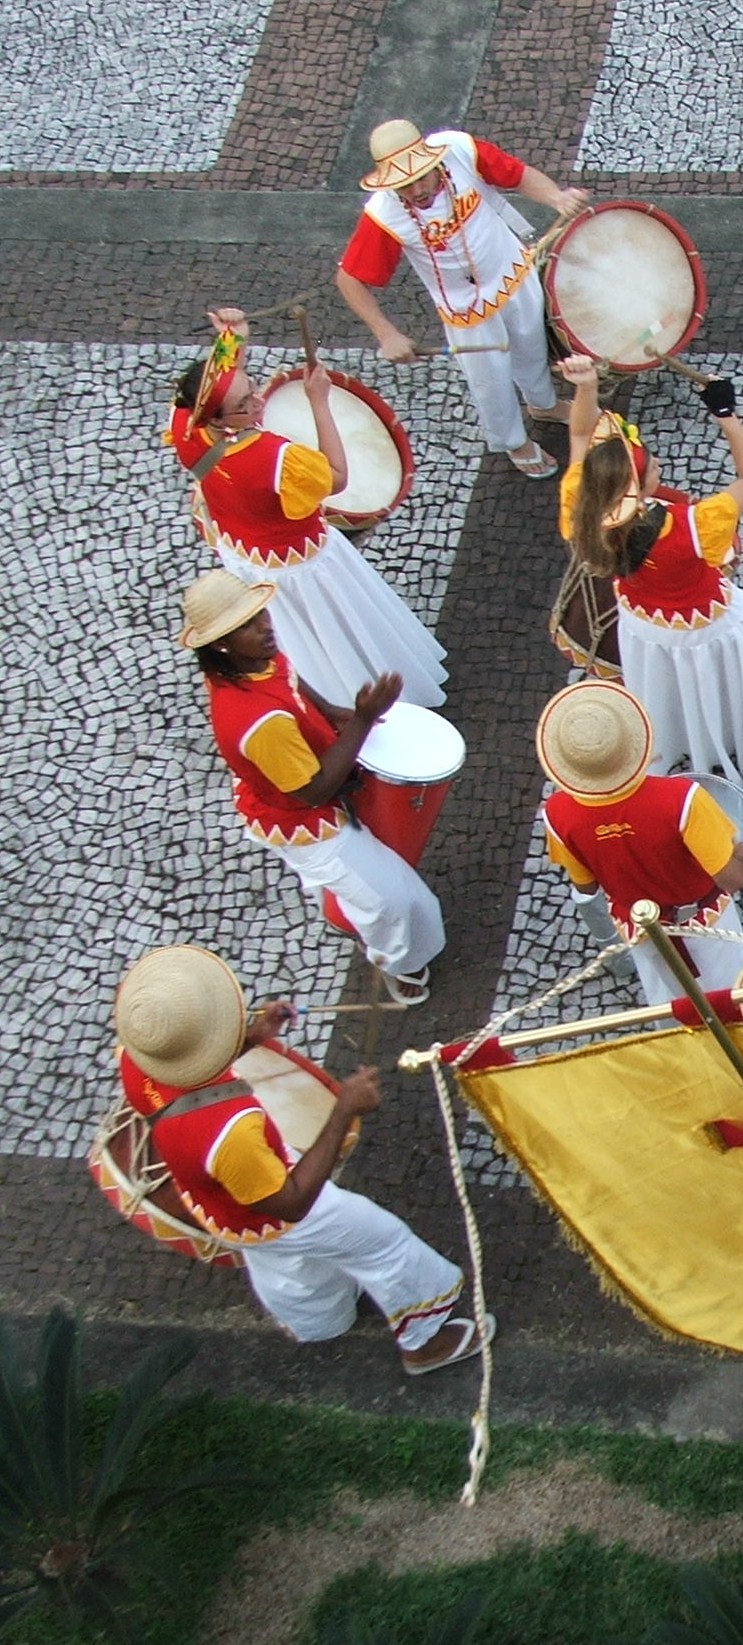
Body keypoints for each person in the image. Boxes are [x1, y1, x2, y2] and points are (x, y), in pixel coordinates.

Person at [113, 945, 490, 1373]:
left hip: (221, 1204)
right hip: (272, 1205)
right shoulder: (232, 1131)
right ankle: (424, 1344)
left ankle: (316, 1321)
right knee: (385, 1244)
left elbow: (191, 1071)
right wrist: (343, 1109)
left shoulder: (137, 1056)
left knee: (285, 1262)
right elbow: (291, 1203)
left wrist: (252, 1038)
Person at [558, 356, 743, 800]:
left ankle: (674, 745)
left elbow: (578, 433)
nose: (657, 466)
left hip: (643, 625)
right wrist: (726, 415)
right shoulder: (692, 525)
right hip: (710, 625)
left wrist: (586, 386)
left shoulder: (581, 506)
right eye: (651, 465)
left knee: (667, 690)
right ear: (642, 485)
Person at [180, 571, 444, 1007]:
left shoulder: (247, 662)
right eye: (246, 625)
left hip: (301, 778)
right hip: (306, 820)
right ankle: (395, 961)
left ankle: (346, 898)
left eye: (259, 614)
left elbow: (290, 680)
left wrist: (337, 714)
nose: (265, 627)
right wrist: (360, 719)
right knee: (394, 901)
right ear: (221, 644)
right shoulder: (259, 724)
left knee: (377, 883)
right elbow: (314, 791)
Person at [166, 312, 448, 709]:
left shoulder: (185, 422)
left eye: (252, 390)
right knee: (340, 626)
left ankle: (322, 690)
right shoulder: (274, 456)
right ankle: (365, 693)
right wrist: (318, 401)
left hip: (242, 553)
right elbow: (336, 478)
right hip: (301, 563)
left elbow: (222, 381)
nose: (259, 400)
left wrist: (234, 338)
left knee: (299, 637)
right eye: (246, 404)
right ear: (219, 417)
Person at [336, 120, 583, 478]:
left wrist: (556, 197)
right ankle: (514, 441)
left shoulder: (462, 149)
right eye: (404, 185)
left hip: (513, 272)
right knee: (491, 380)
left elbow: (517, 175)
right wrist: (386, 333)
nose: (416, 190)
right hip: (465, 309)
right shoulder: (384, 215)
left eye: (421, 177)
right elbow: (350, 279)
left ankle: (543, 404)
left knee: (532, 345)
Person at [536, 679, 743, 1003]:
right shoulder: (682, 799)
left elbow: (586, 889)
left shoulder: (557, 814)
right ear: (639, 746)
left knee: (668, 996)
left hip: (642, 929)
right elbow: (732, 878)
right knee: (733, 991)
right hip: (704, 923)